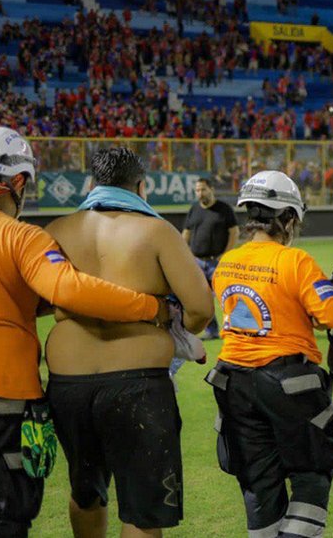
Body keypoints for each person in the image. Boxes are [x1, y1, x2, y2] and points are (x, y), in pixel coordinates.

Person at [0, 126, 170, 538]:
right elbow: (70, 290)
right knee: (1, 509)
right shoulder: (20, 237)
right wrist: (150, 307)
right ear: (17, 182)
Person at [44, 147, 214, 538]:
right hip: (138, 385)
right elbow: (201, 308)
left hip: (69, 384)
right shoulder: (156, 231)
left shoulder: (56, 230)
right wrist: (169, 318)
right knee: (142, 509)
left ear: (91, 184)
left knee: (85, 491)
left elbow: (35, 299)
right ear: (141, 186)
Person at [205, 170, 333, 537]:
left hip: (233, 382)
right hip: (290, 383)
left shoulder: (226, 264)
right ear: (287, 219)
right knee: (313, 471)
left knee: (259, 481)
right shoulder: (295, 262)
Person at [183, 177, 239, 339]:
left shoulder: (224, 209)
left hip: (217, 262)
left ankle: (237, 327)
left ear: (211, 189)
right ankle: (212, 330)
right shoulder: (194, 209)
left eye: (203, 189)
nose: (200, 193)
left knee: (227, 295)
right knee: (201, 298)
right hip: (197, 262)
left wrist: (225, 255)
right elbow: (186, 233)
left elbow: (234, 232)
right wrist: (183, 252)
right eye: (197, 190)